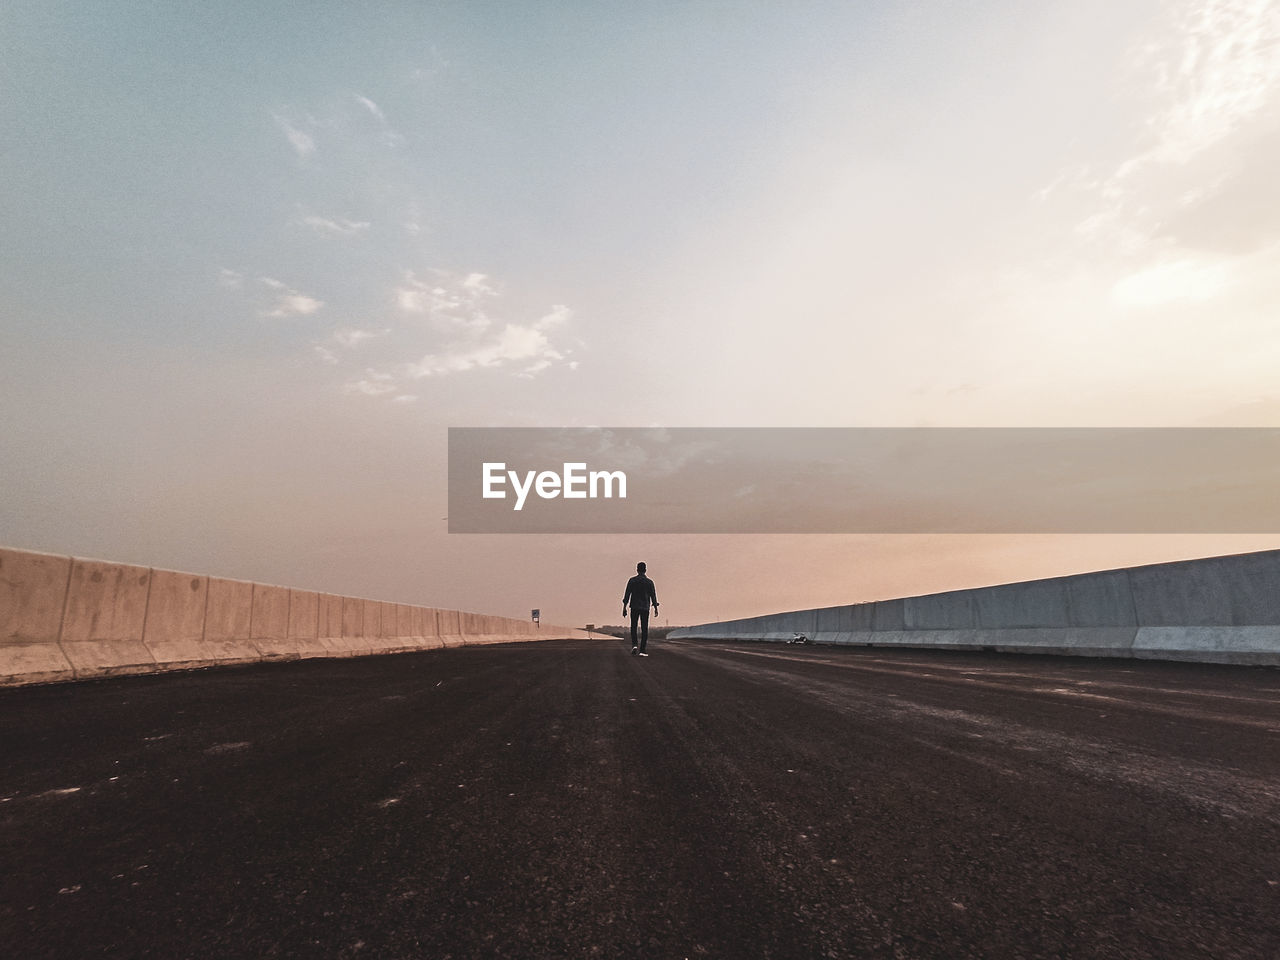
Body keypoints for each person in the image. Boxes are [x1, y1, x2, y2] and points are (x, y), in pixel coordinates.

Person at [622, 561, 659, 657]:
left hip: (634, 606)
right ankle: (642, 649)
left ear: (637, 569)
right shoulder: (649, 582)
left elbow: (627, 595)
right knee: (644, 628)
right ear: (645, 570)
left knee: (633, 626)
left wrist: (624, 608)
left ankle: (634, 644)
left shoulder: (632, 580)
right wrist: (655, 607)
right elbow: (653, 596)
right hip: (645, 607)